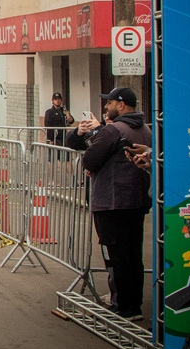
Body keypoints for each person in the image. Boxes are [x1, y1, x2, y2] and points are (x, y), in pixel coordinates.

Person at [65, 86, 152, 321]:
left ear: (121, 105)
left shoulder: (113, 130)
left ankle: (122, 306)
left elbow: (90, 160)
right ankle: (133, 305)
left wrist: (96, 137)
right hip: (136, 201)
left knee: (115, 256)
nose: (106, 106)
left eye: (109, 103)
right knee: (133, 254)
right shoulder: (145, 129)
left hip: (112, 202)